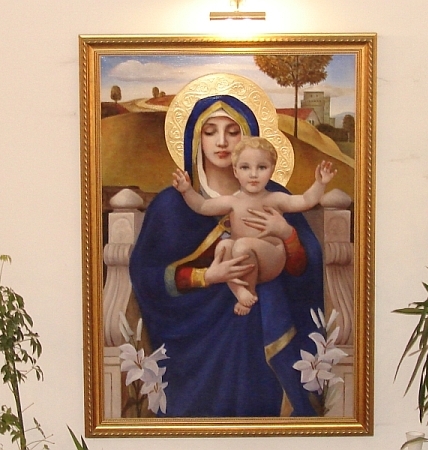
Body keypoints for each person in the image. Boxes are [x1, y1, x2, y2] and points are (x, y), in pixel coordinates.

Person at [129, 73, 325, 417]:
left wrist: (286, 234)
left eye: (233, 132)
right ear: (196, 139)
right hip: (191, 335)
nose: (221, 141)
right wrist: (207, 276)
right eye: (210, 131)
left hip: (260, 325)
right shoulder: (171, 205)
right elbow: (148, 276)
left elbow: (303, 272)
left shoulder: (276, 197)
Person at [172, 136, 335, 315]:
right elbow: (202, 206)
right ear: (235, 171)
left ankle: (250, 291)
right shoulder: (232, 201)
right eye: (245, 167)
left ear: (272, 170)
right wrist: (187, 190)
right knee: (224, 246)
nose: (253, 174)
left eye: (262, 167)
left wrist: (320, 183)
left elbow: (305, 200)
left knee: (242, 244)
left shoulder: (276, 198)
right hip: (242, 257)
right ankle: (240, 291)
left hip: (271, 258)